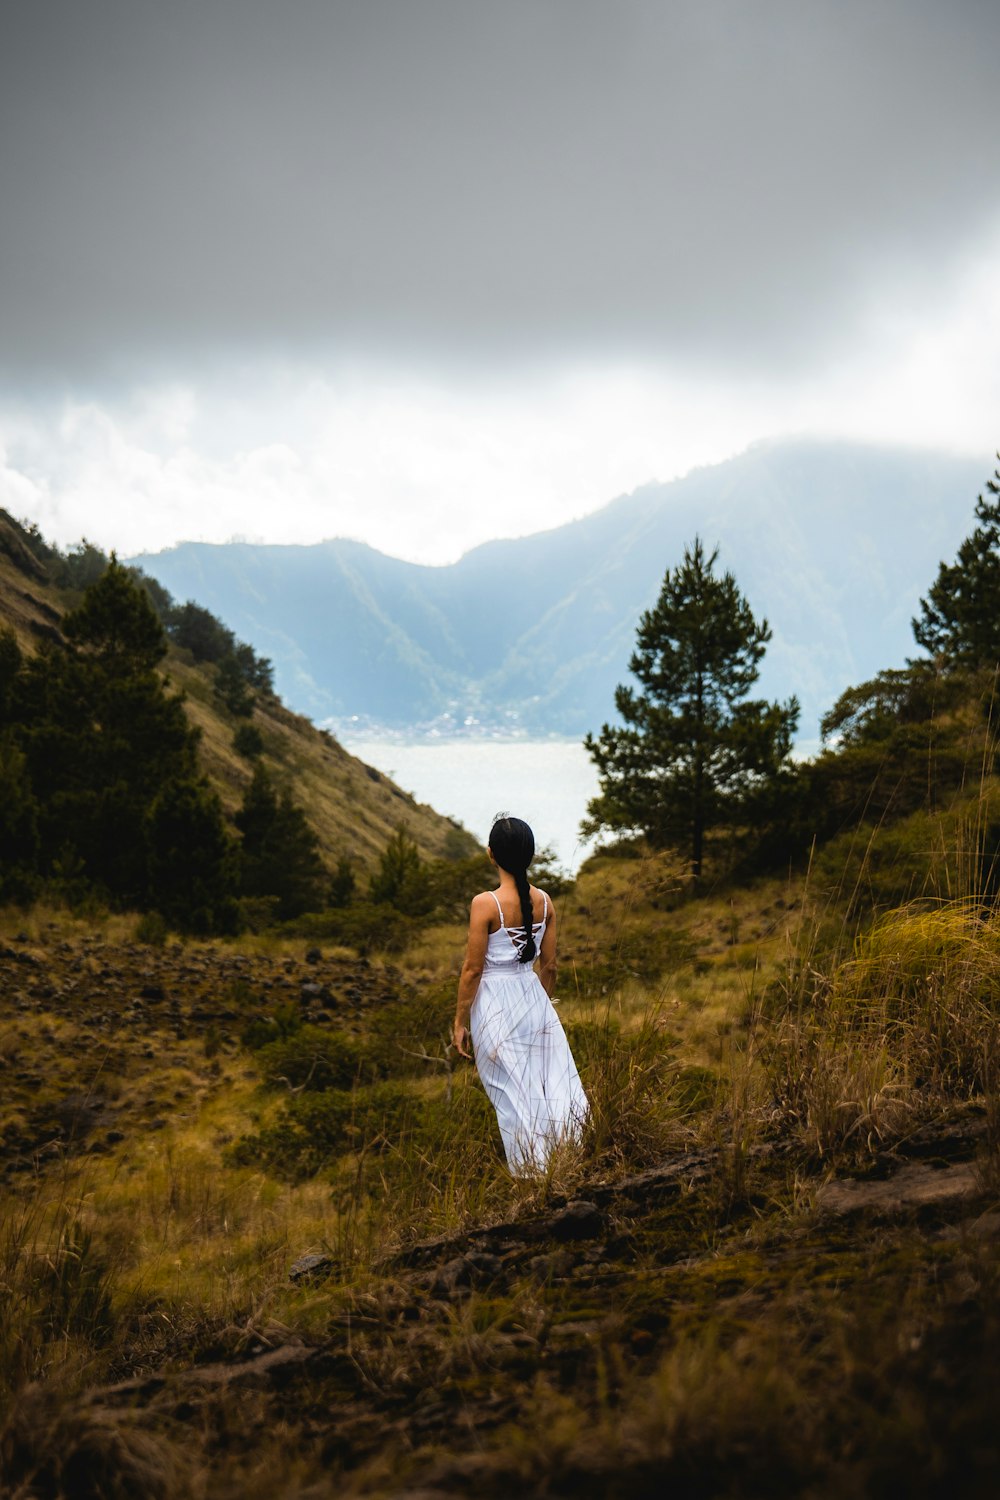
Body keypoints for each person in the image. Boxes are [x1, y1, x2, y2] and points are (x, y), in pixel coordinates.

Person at [453, 814, 589, 1175]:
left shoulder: (485, 903)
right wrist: (541, 1005)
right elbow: (550, 966)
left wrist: (458, 1021)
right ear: (530, 855)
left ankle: (532, 1176)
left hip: (494, 1005)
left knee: (512, 1096)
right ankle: (569, 1161)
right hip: (533, 998)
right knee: (552, 1085)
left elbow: (472, 969)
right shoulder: (545, 901)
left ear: (491, 854)